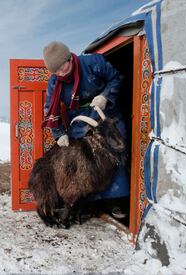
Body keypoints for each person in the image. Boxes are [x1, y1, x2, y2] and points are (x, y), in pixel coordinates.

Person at [42, 41, 128, 218]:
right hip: (80, 119)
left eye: (62, 66)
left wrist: (105, 96)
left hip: (106, 114)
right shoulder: (54, 83)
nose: (60, 73)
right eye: (55, 71)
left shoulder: (93, 63)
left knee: (115, 154)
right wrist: (59, 134)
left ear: (69, 58)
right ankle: (90, 202)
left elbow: (117, 77)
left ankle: (116, 201)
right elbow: (51, 109)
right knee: (84, 160)